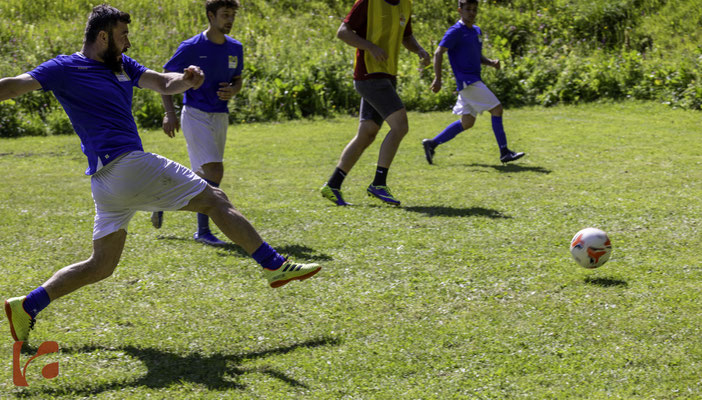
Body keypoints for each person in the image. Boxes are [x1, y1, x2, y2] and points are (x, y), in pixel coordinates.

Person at [2, 4, 321, 343]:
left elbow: (162, 82)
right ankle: (273, 265)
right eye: (123, 36)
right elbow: (14, 85)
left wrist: (185, 80)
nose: (128, 43)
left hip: (106, 182)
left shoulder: (122, 64)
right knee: (215, 199)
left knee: (101, 265)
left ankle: (27, 305)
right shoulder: (65, 67)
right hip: (125, 165)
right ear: (102, 36)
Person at [320, 0, 431, 207]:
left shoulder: (405, 4)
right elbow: (343, 31)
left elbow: (406, 36)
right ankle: (379, 183)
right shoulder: (368, 2)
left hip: (387, 75)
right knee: (400, 126)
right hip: (369, 76)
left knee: (367, 133)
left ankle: (333, 185)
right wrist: (370, 47)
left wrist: (420, 50)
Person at [151, 0, 243, 247]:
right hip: (195, 114)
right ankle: (203, 232)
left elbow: (238, 79)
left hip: (220, 116)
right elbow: (164, 80)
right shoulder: (191, 47)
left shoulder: (235, 48)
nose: (230, 20)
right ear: (211, 16)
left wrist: (233, 90)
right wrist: (169, 113)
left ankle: (162, 197)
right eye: (225, 15)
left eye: (232, 15)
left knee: (203, 175)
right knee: (215, 171)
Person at [422, 0, 524, 165]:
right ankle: (505, 152)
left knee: (467, 122)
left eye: (474, 10)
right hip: (467, 81)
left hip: (472, 80)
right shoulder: (455, 31)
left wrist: (490, 62)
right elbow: (438, 52)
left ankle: (431, 143)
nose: (471, 13)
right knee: (497, 109)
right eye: (468, 9)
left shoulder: (476, 31)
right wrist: (437, 78)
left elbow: (476, 56)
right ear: (459, 10)